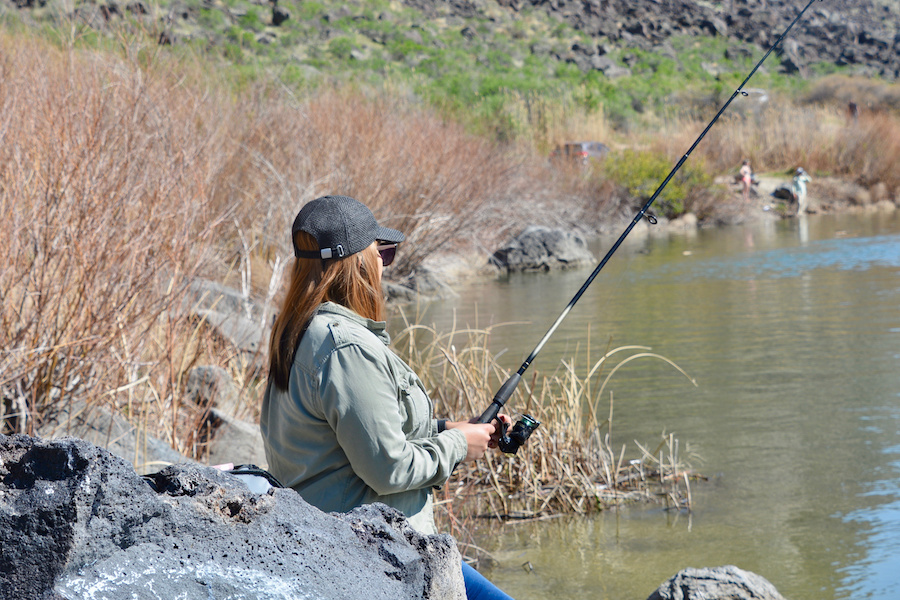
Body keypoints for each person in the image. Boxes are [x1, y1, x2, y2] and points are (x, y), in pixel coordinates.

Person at [260, 194, 515, 600]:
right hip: (376, 557)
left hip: (344, 544)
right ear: (360, 262)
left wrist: (450, 428)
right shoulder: (346, 348)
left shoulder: (295, 331)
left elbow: (354, 435)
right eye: (384, 252)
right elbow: (388, 469)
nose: (384, 263)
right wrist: (455, 446)